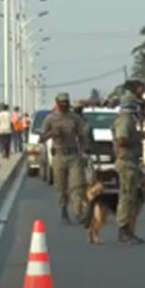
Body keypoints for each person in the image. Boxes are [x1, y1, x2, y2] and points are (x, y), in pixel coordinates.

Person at [39, 93, 89, 224]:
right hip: (59, 155)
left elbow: (82, 136)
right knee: (61, 186)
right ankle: (63, 211)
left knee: (77, 185)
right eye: (62, 102)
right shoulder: (50, 118)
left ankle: (78, 212)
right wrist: (52, 133)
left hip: (73, 155)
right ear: (57, 102)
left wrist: (83, 151)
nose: (64, 104)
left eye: (66, 102)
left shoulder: (74, 118)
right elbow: (41, 138)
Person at [112, 80, 145, 245]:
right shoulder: (125, 121)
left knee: (131, 197)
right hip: (126, 162)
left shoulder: (129, 120)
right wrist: (136, 139)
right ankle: (123, 231)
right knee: (126, 197)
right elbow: (121, 140)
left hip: (131, 162)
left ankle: (128, 230)